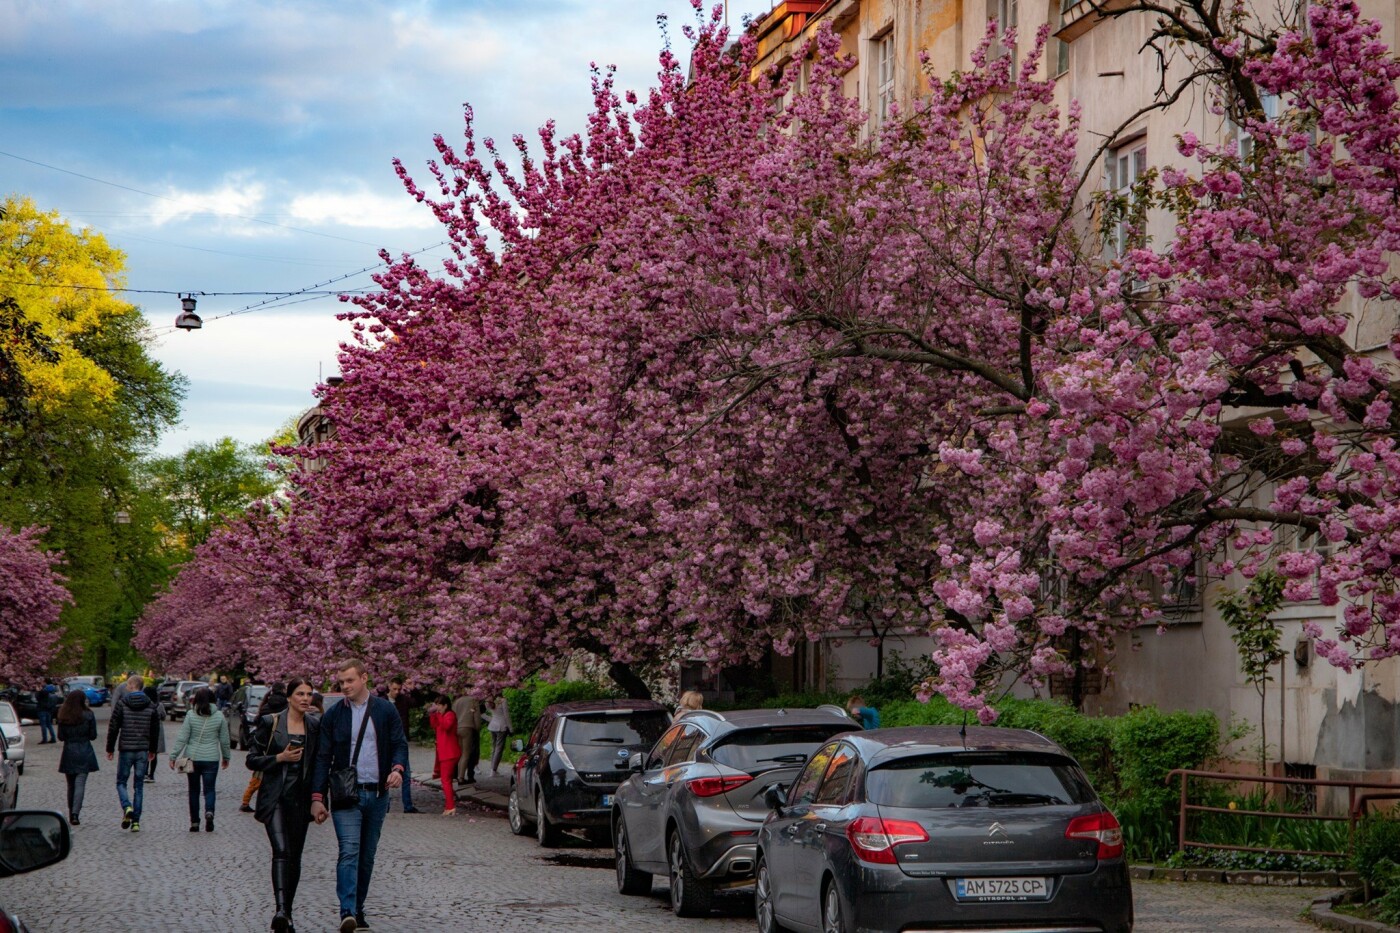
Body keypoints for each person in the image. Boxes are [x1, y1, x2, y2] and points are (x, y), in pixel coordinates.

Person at [310, 658, 409, 933]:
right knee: (349, 852)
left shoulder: (385, 710)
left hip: (377, 794)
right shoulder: (334, 715)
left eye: (350, 680)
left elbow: (400, 744)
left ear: (364, 678)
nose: (345, 686)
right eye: (341, 682)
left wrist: (398, 769)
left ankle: (359, 908)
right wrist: (318, 797)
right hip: (346, 796)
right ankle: (347, 911)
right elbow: (323, 757)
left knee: (366, 856)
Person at [248, 678, 322, 933]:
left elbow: (318, 766)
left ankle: (287, 913)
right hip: (275, 798)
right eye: (300, 693)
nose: (305, 698)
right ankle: (280, 909)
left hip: (300, 800)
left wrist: (318, 800)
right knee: (281, 851)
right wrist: (280, 758)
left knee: (295, 856)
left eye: (309, 694)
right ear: (289, 697)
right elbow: (252, 759)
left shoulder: (314, 725)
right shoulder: (271, 722)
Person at [169, 686, 231, 832]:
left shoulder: (191, 715)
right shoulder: (219, 716)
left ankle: (195, 823)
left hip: (192, 757)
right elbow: (224, 740)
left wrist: (173, 756)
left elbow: (182, 738)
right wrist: (226, 756)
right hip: (211, 758)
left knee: (193, 790)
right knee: (210, 789)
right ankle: (209, 813)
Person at [105, 675, 161, 832]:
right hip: (142, 750)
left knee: (121, 782)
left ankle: (127, 806)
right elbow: (154, 730)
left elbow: (114, 726)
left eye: (127, 685)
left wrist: (110, 748)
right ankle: (136, 821)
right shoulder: (150, 705)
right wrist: (152, 749)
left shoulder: (122, 704)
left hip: (126, 749)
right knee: (139, 786)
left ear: (130, 686)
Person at [242, 684, 289, 814]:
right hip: (280, 742)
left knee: (258, 776)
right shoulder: (286, 706)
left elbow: (258, 722)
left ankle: (246, 801)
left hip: (264, 745)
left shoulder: (265, 705)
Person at [56, 689, 98, 825]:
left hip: (69, 752)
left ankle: (71, 812)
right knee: (80, 784)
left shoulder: (64, 715)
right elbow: (93, 735)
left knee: (71, 785)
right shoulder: (89, 714)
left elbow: (61, 737)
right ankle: (75, 813)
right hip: (85, 751)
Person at [384, 676, 420, 813]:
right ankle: (385, 805)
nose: (397, 692)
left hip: (401, 738)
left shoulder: (403, 700)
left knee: (406, 773)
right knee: (386, 773)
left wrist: (413, 689)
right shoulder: (382, 701)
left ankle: (408, 805)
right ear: (389, 687)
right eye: (394, 689)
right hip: (386, 740)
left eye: (399, 689)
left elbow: (417, 703)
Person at [426, 694, 460, 816]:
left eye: (440, 705)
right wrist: (432, 714)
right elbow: (434, 725)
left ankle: (450, 806)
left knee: (446, 780)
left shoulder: (450, 715)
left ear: (446, 705)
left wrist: (439, 715)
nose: (438, 707)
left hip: (449, 752)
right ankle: (449, 805)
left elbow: (446, 726)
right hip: (444, 751)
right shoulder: (442, 715)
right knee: (446, 780)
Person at [452, 694, 482, 785]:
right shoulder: (473, 701)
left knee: (460, 753)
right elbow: (476, 717)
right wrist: (477, 728)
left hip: (457, 728)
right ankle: (461, 777)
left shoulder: (457, 701)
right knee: (466, 754)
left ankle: (457, 775)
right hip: (467, 728)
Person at [142, 685, 167, 783]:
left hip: (145, 728)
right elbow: (164, 716)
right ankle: (151, 774)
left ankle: (144, 773)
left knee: (145, 751)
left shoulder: (144, 704)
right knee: (154, 753)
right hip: (158, 730)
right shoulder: (159, 705)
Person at [486, 694, 511, 777]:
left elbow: (492, 714)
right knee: (499, 749)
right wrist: (511, 728)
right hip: (501, 727)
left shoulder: (488, 700)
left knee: (494, 748)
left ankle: (492, 769)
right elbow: (506, 716)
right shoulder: (503, 701)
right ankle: (493, 770)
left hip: (492, 726)